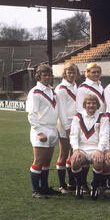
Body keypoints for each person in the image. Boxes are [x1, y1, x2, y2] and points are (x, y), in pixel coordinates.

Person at [27, 64, 69, 198]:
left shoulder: (52, 91)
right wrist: (39, 131)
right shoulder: (35, 92)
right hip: (41, 129)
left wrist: (66, 127)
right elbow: (31, 114)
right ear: (38, 76)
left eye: (49, 75)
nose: (47, 77)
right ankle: (35, 190)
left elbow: (60, 111)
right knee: (38, 161)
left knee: (47, 161)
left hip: (52, 128)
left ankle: (44, 187)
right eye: (44, 75)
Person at [69, 94, 105, 199]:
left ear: (97, 105)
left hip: (96, 149)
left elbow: (104, 136)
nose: (91, 105)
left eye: (94, 103)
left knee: (98, 161)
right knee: (75, 161)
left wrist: (99, 150)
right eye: (88, 103)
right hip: (82, 149)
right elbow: (73, 136)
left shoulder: (103, 117)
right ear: (85, 105)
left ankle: (94, 185)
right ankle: (80, 185)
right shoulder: (78, 117)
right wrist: (75, 150)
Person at [54, 63, 79, 193]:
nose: (71, 74)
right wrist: (67, 127)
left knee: (71, 153)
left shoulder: (75, 86)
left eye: (73, 72)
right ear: (64, 73)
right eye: (69, 72)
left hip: (75, 123)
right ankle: (62, 184)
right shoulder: (61, 88)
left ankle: (71, 182)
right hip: (65, 124)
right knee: (63, 153)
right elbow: (61, 110)